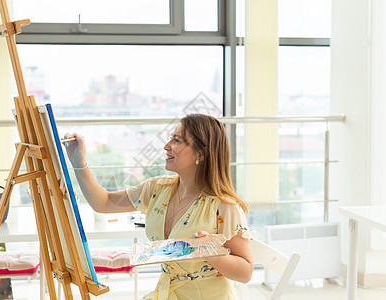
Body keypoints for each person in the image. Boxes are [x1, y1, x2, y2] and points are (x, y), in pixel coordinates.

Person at [64, 113, 253, 300]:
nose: (166, 146)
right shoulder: (157, 188)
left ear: (201, 153)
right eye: (170, 138)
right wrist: (78, 163)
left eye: (177, 140)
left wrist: (210, 251)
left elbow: (245, 273)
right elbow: (104, 203)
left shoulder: (225, 206)